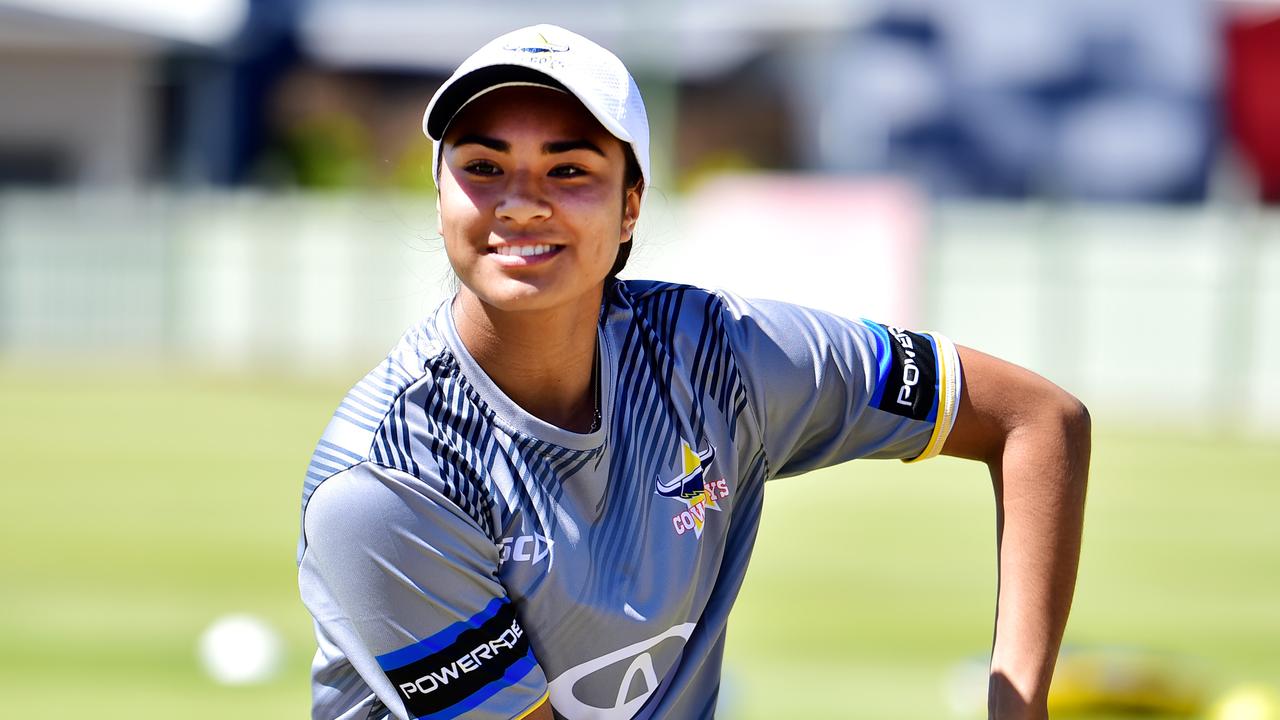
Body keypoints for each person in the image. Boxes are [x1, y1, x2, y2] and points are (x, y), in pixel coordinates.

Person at [297, 24, 1090, 720]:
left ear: (632, 205)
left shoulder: (718, 353)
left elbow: (1035, 418)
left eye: (569, 170)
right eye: (483, 165)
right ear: (438, 198)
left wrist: (1016, 700)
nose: (522, 203)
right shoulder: (387, 479)